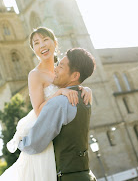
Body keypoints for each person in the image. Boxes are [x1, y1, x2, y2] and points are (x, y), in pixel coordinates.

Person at [0, 28, 92, 181]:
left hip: (64, 135)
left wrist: (84, 89)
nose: (42, 45)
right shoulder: (35, 75)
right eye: (36, 43)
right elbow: (39, 111)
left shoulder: (62, 69)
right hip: (44, 134)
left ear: (55, 42)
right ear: (33, 50)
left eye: (45, 40)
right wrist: (58, 93)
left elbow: (73, 85)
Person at [18, 47, 97, 180]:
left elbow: (34, 144)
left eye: (60, 66)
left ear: (75, 76)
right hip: (86, 175)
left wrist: (19, 141)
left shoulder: (59, 103)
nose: (55, 69)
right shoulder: (85, 98)